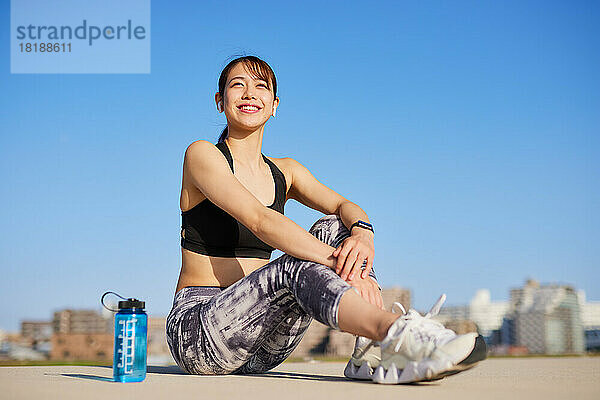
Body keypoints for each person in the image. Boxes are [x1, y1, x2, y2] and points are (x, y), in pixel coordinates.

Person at [166, 55, 487, 384]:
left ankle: (370, 353)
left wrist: (363, 238)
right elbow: (259, 219)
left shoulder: (286, 171)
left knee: (337, 227)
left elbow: (346, 206)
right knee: (299, 261)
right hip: (201, 333)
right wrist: (337, 264)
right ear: (220, 101)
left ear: (274, 105)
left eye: (260, 86)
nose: (250, 94)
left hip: (262, 343)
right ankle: (394, 333)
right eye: (238, 85)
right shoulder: (202, 154)